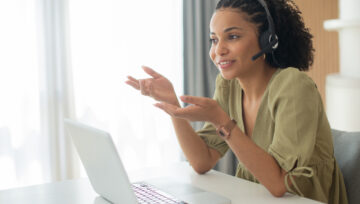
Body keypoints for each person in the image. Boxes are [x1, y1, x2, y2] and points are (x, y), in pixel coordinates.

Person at [125, 0, 348, 203]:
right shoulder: (229, 86)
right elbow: (202, 161)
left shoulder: (294, 86)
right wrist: (173, 106)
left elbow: (280, 185)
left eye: (232, 37)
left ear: (267, 40)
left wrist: (222, 122)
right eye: (214, 39)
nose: (218, 50)